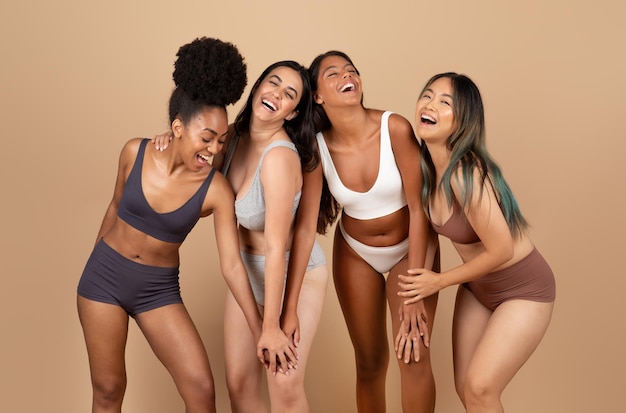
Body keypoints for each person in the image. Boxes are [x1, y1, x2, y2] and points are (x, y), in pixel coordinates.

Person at [76, 37, 264, 413]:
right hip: (103, 279)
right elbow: (114, 206)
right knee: (109, 390)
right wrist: (97, 265)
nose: (213, 150)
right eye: (206, 138)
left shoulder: (216, 191)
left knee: (200, 389)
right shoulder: (135, 151)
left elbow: (231, 265)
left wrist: (261, 327)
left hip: (156, 291)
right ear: (178, 127)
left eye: (220, 141)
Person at [153, 60, 329, 413]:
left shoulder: (280, 157)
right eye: (273, 83)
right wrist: (173, 140)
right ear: (258, 86)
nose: (276, 94)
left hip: (293, 270)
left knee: (284, 385)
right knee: (240, 384)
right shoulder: (231, 137)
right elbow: (197, 185)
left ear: (293, 113)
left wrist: (276, 323)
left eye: (289, 94)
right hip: (247, 270)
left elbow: (279, 248)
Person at [397, 72, 556, 413]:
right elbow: (424, 238)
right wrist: (412, 294)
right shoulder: (425, 170)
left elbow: (502, 250)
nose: (430, 105)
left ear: (463, 120)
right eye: (427, 95)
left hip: (524, 289)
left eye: (445, 102)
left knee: (480, 388)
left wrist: (437, 282)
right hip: (477, 289)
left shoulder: (464, 173)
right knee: (467, 388)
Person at [308, 50, 439, 413]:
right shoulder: (317, 147)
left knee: (413, 353)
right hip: (355, 254)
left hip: (410, 249)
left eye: (351, 70)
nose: (346, 75)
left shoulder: (394, 127)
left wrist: (413, 291)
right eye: (332, 73)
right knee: (369, 363)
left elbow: (420, 209)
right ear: (317, 95)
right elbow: (305, 229)